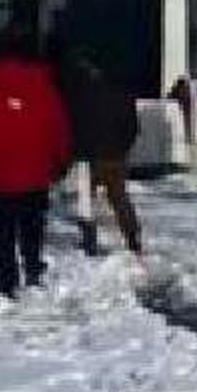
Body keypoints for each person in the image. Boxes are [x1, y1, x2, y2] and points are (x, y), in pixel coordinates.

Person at [0, 28, 72, 296]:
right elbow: (59, 127)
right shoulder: (45, 86)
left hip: (0, 172)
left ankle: (7, 277)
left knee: (3, 229)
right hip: (36, 171)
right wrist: (61, 159)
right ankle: (32, 267)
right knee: (33, 223)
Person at [62, 53, 142, 255]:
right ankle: (132, 236)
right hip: (115, 154)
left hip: (90, 155)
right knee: (119, 198)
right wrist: (124, 147)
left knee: (85, 198)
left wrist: (75, 151)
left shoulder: (82, 94)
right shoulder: (122, 93)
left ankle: (89, 238)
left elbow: (76, 125)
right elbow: (132, 126)